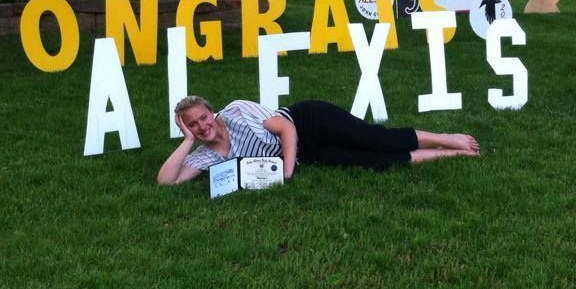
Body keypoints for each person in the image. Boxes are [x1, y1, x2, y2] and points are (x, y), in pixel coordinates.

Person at [157, 97, 480, 185]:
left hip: (307, 121)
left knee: (373, 139)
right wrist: (186, 142)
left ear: (212, 113)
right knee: (373, 162)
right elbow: (166, 182)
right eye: (192, 125)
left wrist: (286, 173)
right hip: (306, 154)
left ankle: (445, 137)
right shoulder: (205, 155)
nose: (201, 127)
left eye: (203, 118)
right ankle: (450, 155)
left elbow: (286, 130)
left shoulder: (237, 112)